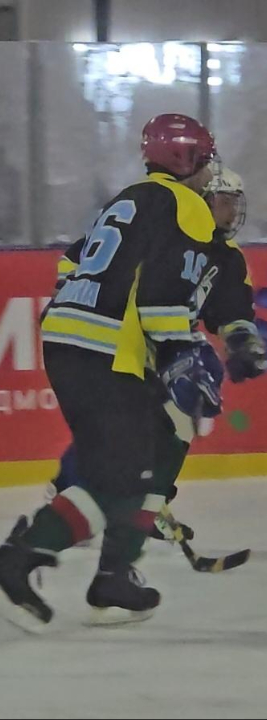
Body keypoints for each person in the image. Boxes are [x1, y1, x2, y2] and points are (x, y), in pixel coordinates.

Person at [0, 113, 223, 631]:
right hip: (109, 349)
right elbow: (162, 294)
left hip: (67, 339)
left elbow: (70, 265)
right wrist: (178, 353)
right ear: (189, 159)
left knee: (128, 466)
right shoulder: (188, 206)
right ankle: (17, 561)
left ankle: (112, 580)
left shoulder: (126, 200)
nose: (209, 171)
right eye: (206, 160)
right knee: (122, 476)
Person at [48, 167, 266, 542]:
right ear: (201, 201)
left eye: (234, 203)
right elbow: (77, 257)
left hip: (164, 344)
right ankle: (66, 494)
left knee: (179, 410)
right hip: (122, 340)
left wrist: (243, 342)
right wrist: (76, 289)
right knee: (114, 430)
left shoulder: (229, 259)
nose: (231, 212)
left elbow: (232, 312)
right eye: (223, 202)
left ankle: (150, 501)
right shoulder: (164, 232)